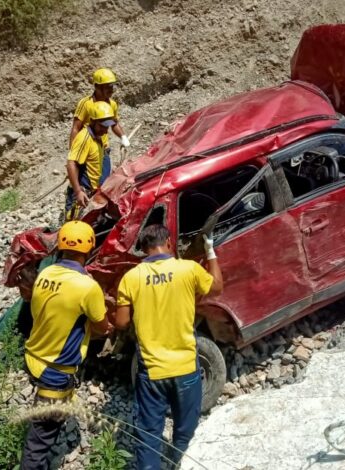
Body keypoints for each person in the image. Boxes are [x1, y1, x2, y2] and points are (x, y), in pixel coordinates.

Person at [113, 225, 223, 470]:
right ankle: (180, 463)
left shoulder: (131, 278)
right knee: (185, 430)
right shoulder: (188, 269)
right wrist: (210, 251)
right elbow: (216, 287)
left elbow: (121, 322)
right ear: (170, 243)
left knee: (149, 436)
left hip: (152, 372)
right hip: (185, 368)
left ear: (144, 249)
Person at [20, 221, 112, 470]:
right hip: (55, 371)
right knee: (39, 440)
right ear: (89, 249)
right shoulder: (87, 287)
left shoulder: (45, 275)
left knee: (46, 424)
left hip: (34, 357)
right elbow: (102, 327)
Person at [65, 101, 116, 221]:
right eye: (102, 126)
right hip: (82, 195)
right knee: (74, 231)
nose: (105, 130)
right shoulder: (84, 138)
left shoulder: (99, 136)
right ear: (93, 121)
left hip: (93, 193)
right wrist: (78, 192)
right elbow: (71, 163)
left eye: (107, 126)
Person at [69, 67, 129, 150]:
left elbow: (114, 123)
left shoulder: (112, 104)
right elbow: (76, 128)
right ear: (97, 87)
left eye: (112, 87)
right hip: (87, 151)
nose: (111, 90)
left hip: (104, 149)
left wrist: (123, 137)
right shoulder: (86, 103)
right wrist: (73, 153)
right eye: (108, 87)